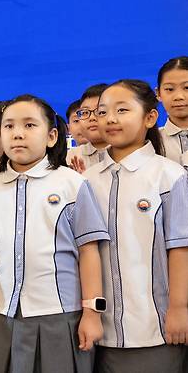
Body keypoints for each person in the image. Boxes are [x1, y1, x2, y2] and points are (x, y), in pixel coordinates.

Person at [0, 95, 108, 373]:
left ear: (51, 136)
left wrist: (92, 313)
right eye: (9, 127)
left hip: (61, 316)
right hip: (3, 315)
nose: (18, 134)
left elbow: (89, 251)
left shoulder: (72, 184)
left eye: (29, 125)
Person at [84, 80, 188, 372]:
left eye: (122, 110)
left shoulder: (168, 176)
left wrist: (179, 308)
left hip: (155, 328)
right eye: (102, 112)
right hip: (98, 332)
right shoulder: (86, 181)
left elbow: (180, 247)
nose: (110, 119)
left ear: (150, 117)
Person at [67, 84, 110, 173]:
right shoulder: (70, 157)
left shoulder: (127, 153)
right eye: (85, 112)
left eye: (100, 111)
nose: (92, 118)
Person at [156, 56, 188, 164]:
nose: (179, 96)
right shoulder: (151, 141)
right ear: (158, 94)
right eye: (169, 89)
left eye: (187, 88)